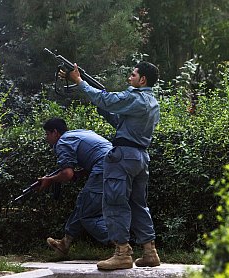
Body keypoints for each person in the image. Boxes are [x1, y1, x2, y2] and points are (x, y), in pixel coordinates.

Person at [61, 62, 161, 270]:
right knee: (138, 204)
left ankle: (122, 253)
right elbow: (120, 122)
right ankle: (150, 251)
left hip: (123, 157)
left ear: (142, 80)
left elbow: (106, 99)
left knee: (115, 203)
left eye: (133, 75)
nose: (129, 78)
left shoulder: (135, 97)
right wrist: (101, 103)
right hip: (140, 157)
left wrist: (79, 81)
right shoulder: (152, 102)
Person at [38, 117, 112, 257]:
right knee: (83, 203)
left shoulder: (63, 142)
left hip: (105, 167)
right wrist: (79, 174)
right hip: (117, 163)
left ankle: (122, 245)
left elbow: (67, 174)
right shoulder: (79, 133)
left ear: (55, 132)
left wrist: (49, 180)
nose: (46, 138)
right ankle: (65, 243)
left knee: (87, 214)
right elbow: (95, 155)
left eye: (47, 134)